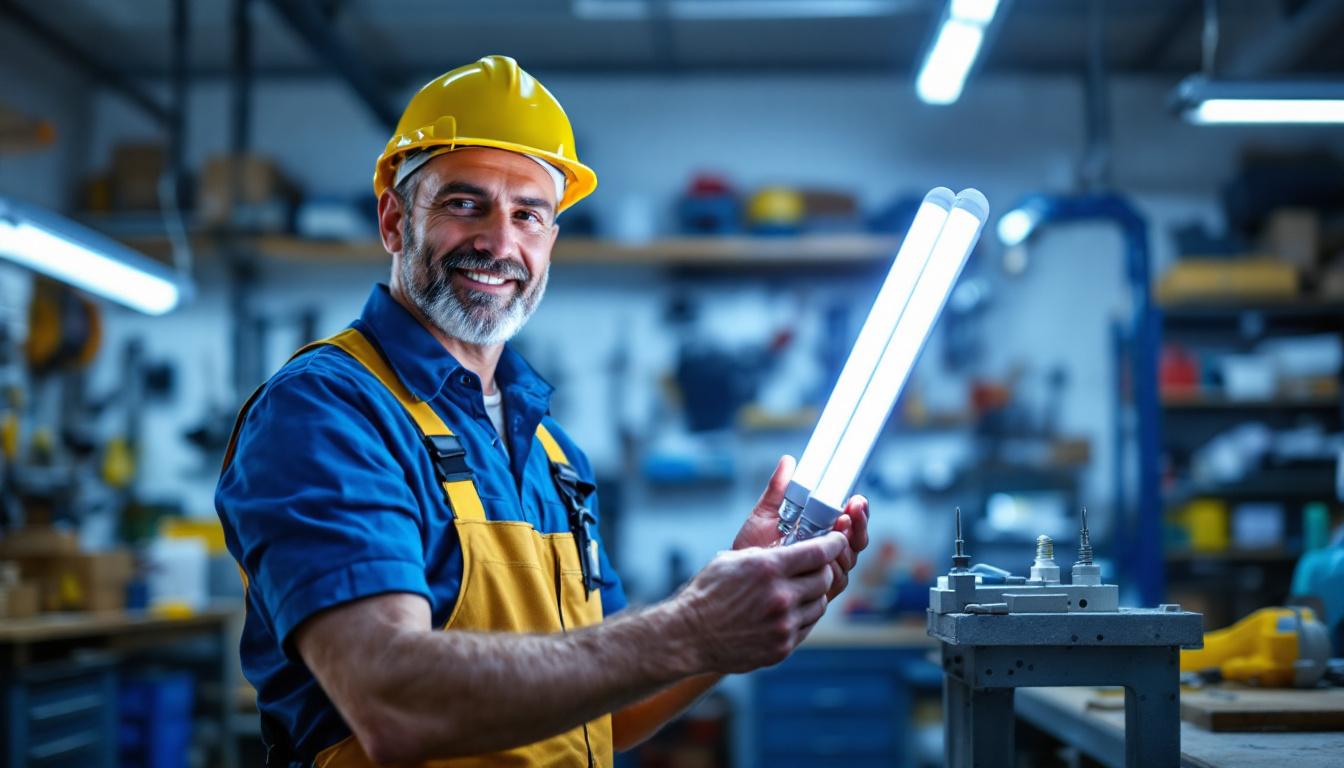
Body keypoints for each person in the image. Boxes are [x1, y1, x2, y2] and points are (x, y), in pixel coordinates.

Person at [216, 55, 869, 767]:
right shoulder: (327, 410)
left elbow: (610, 712)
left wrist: (739, 610)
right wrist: (691, 626)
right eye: (465, 204)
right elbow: (392, 699)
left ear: (551, 240)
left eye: (529, 214)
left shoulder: (552, 453)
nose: (500, 243)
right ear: (395, 219)